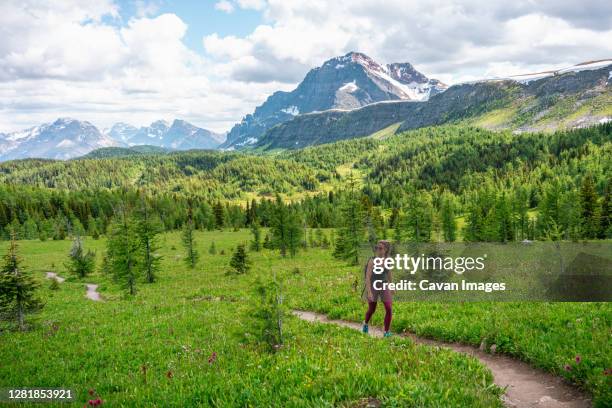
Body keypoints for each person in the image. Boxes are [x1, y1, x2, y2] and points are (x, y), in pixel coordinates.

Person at [362, 240, 393, 337]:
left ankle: (386, 332)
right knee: (372, 309)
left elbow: (389, 273)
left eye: (380, 248)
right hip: (373, 286)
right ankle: (365, 323)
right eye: (377, 248)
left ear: (385, 250)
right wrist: (369, 292)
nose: (378, 250)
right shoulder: (372, 260)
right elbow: (367, 276)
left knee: (389, 308)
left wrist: (392, 286)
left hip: (384, 286)